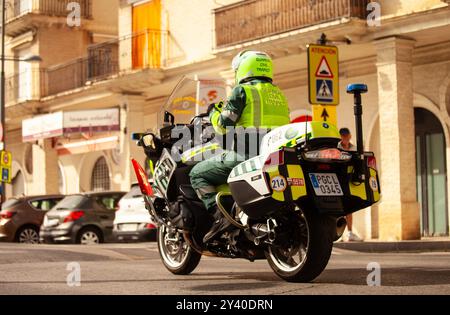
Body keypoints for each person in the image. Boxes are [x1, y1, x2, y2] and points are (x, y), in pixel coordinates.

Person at [189, 50, 291, 243]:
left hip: (246, 156)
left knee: (197, 174)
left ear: (243, 68)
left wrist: (212, 113)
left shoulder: (242, 91)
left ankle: (220, 217)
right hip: (274, 157)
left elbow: (222, 125)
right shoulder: (279, 94)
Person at [338, 127, 362, 242]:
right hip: (338, 180)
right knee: (338, 208)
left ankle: (349, 233)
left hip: (348, 181)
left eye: (346, 136)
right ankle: (339, 234)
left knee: (348, 208)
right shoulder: (336, 148)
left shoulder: (354, 149)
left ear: (350, 136)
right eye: (343, 136)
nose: (345, 138)